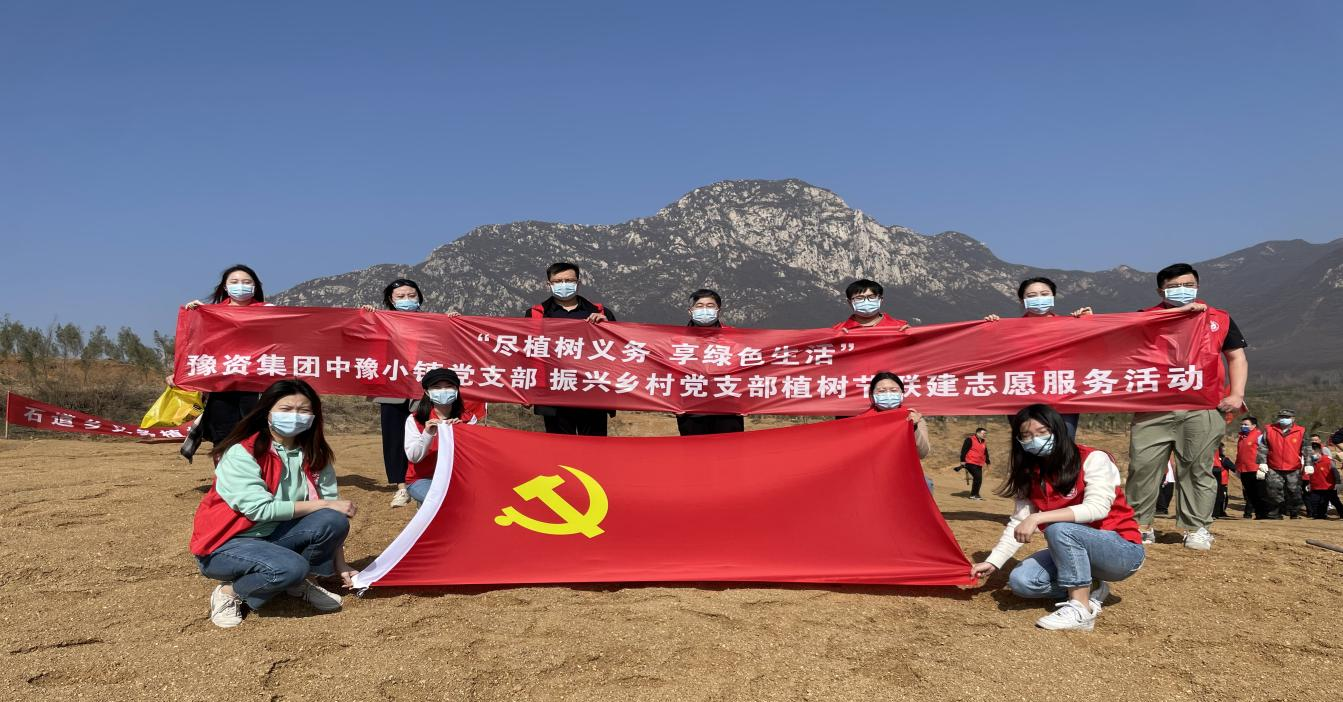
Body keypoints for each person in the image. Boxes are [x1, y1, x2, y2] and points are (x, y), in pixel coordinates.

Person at [189, 379, 358, 628]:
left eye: (303, 410)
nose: (295, 416)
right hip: (227, 544)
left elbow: (332, 508)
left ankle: (302, 582)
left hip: (274, 536)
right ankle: (230, 592)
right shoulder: (242, 452)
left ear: (314, 416)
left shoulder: (315, 454)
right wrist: (323, 505)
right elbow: (260, 509)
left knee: (333, 519)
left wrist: (340, 564)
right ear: (266, 411)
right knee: (292, 566)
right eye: (286, 409)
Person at [968, 404, 1145, 632]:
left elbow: (1097, 508)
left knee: (1059, 529)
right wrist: (994, 561)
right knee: (1022, 582)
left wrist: (1038, 518)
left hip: (1121, 551)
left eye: (1042, 432)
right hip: (1073, 549)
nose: (1035, 440)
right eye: (1026, 435)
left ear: (1058, 430)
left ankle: (1081, 609)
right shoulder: (1030, 472)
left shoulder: (1093, 458)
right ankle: (1092, 586)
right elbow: (1019, 521)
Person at [1125, 263, 1248, 550]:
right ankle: (1139, 526)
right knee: (1143, 467)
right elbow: (1110, 342)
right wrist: (1086, 321)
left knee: (1197, 468)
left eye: (1188, 285)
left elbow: (1236, 357)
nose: (1182, 290)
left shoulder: (1219, 318)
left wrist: (1236, 393)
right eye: (1174, 287)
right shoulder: (1145, 317)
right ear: (1161, 291)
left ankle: (1196, 527)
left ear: (1197, 286)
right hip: (1153, 407)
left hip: (1203, 406)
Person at [359, 278, 443, 508]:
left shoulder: (433, 322)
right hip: (392, 386)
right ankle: (401, 487)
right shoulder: (381, 320)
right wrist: (367, 316)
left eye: (411, 295)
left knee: (427, 434)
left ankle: (426, 480)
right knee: (394, 437)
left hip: (422, 387)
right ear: (391, 300)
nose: (407, 300)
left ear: (419, 297)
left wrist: (453, 320)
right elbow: (359, 337)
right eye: (401, 296)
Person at [176, 264, 271, 463]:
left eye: (246, 282)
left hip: (256, 382)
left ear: (255, 286)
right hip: (221, 383)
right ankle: (224, 474)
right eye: (234, 282)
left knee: (255, 430)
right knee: (223, 431)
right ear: (225, 287)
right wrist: (195, 314)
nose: (241, 285)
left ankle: (256, 472)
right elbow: (196, 345)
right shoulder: (212, 313)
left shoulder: (269, 312)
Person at [983, 277, 1094, 436]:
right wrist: (989, 329)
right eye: (1032, 296)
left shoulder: (1070, 326)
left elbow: (1095, 352)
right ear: (1022, 301)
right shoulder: (1009, 330)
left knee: (1064, 443)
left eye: (1044, 294)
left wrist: (1090, 323)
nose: (1039, 298)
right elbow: (989, 355)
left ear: (1053, 296)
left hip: (1063, 394)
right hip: (1022, 394)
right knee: (1027, 444)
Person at [525, 262, 616, 436]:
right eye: (558, 281)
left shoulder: (601, 312)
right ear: (549, 284)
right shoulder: (536, 314)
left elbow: (618, 351)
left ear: (578, 283)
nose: (564, 284)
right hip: (553, 394)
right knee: (560, 448)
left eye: (569, 280)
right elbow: (526, 353)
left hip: (592, 392)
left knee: (594, 447)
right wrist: (526, 390)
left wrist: (607, 327)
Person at [402, 368, 478, 505]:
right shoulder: (415, 419)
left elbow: (473, 456)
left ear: (457, 390)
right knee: (443, 502)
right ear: (427, 392)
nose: (443, 391)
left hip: (457, 477)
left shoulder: (468, 418)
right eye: (436, 387)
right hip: (422, 478)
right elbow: (414, 457)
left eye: (449, 386)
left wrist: (461, 432)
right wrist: (427, 434)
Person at [676, 289, 746, 436]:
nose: (705, 310)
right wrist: (672, 403)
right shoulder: (677, 340)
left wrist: (747, 402)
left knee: (729, 450)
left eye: (710, 306)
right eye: (699, 306)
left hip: (728, 409)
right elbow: (666, 372)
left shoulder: (734, 337)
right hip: (691, 411)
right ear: (690, 310)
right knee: (695, 450)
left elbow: (746, 370)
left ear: (718, 310)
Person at [854, 372, 932, 490]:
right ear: (872, 395)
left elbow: (923, 453)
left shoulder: (914, 418)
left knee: (926, 484)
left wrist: (913, 428)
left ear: (902, 393)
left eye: (893, 390)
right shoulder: (859, 422)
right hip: (870, 475)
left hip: (903, 475)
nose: (888, 394)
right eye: (881, 391)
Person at [1256, 409, 1309, 519]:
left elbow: (1306, 449)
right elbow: (1263, 447)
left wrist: (1309, 464)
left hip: (1293, 467)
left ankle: (1294, 512)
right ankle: (1274, 513)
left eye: (1287, 417)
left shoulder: (1301, 431)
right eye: (1281, 417)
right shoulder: (1269, 429)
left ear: (1293, 419)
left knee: (1294, 491)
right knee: (1273, 490)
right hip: (1274, 466)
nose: (1283, 419)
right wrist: (1262, 462)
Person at [832, 279, 911, 330]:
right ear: (850, 302)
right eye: (859, 298)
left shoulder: (900, 326)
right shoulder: (837, 330)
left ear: (880, 299)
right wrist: (837, 339)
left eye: (871, 297)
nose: (866, 301)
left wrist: (912, 337)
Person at [1233, 416, 1266, 518]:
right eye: (1242, 424)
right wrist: (1237, 468)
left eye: (1246, 424)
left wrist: (1262, 465)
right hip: (1244, 469)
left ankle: (1261, 513)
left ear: (1254, 425)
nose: (1243, 426)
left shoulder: (1259, 436)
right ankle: (1248, 513)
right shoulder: (1241, 437)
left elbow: (1265, 451)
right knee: (1248, 493)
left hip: (1255, 469)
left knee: (1258, 492)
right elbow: (1239, 453)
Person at [1304, 434, 1340, 519]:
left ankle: (1341, 513)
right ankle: (1318, 515)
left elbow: (1335, 471)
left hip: (1328, 486)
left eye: (1314, 452)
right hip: (1316, 486)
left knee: (1333, 501)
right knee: (1315, 501)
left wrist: (1337, 482)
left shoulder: (1328, 460)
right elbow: (1310, 474)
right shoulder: (1311, 462)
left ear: (1320, 451)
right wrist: (1309, 484)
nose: (1312, 454)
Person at [956, 427, 991, 500]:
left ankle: (975, 494)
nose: (985, 435)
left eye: (986, 434)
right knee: (978, 477)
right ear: (978, 433)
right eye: (983, 433)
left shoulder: (983, 442)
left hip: (979, 463)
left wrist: (988, 462)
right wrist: (962, 460)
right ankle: (974, 495)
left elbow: (985, 453)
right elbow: (964, 450)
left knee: (979, 479)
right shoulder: (969, 440)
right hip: (970, 462)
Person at [1212, 444, 1233, 518]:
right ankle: (1220, 512)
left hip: (1219, 480)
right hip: (1222, 481)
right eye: (1222, 448)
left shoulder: (1215, 459)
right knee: (1222, 498)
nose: (1224, 450)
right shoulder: (1224, 460)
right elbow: (1234, 468)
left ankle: (1216, 512)